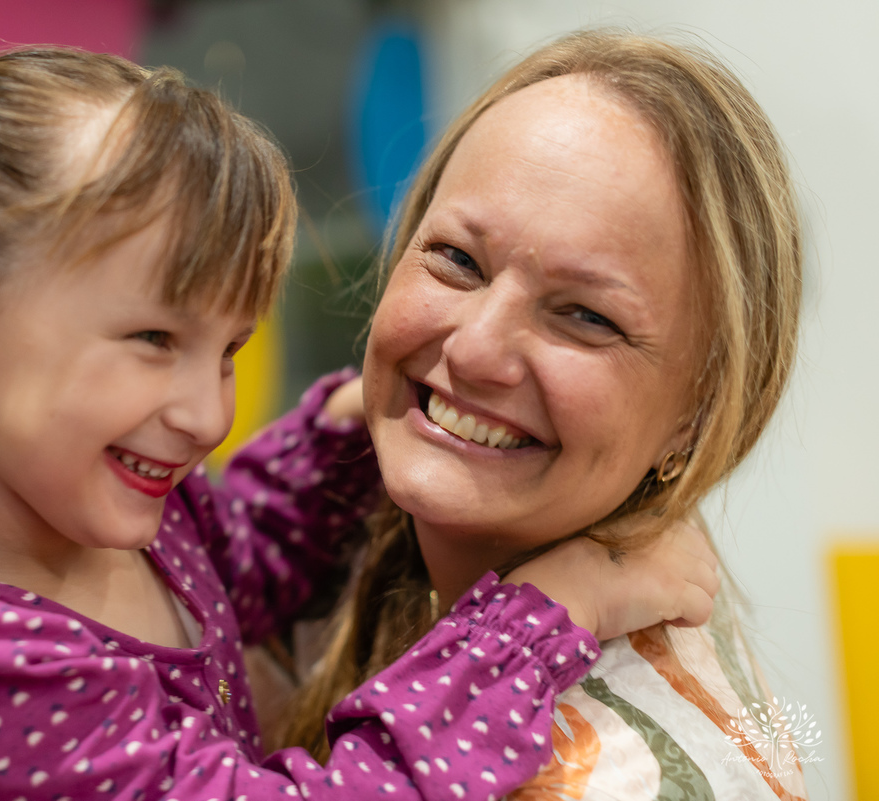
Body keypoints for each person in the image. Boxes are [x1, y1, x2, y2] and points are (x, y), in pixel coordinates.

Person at [0, 14, 719, 801]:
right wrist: (556, 610)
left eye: (228, 351)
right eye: (152, 342)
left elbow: (242, 556)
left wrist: (368, 423)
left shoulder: (99, 508)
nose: (204, 414)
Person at [284, 29, 808, 800]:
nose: (474, 351)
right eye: (457, 259)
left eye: (587, 316)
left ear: (696, 417)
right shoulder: (352, 521)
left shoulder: (619, 778)